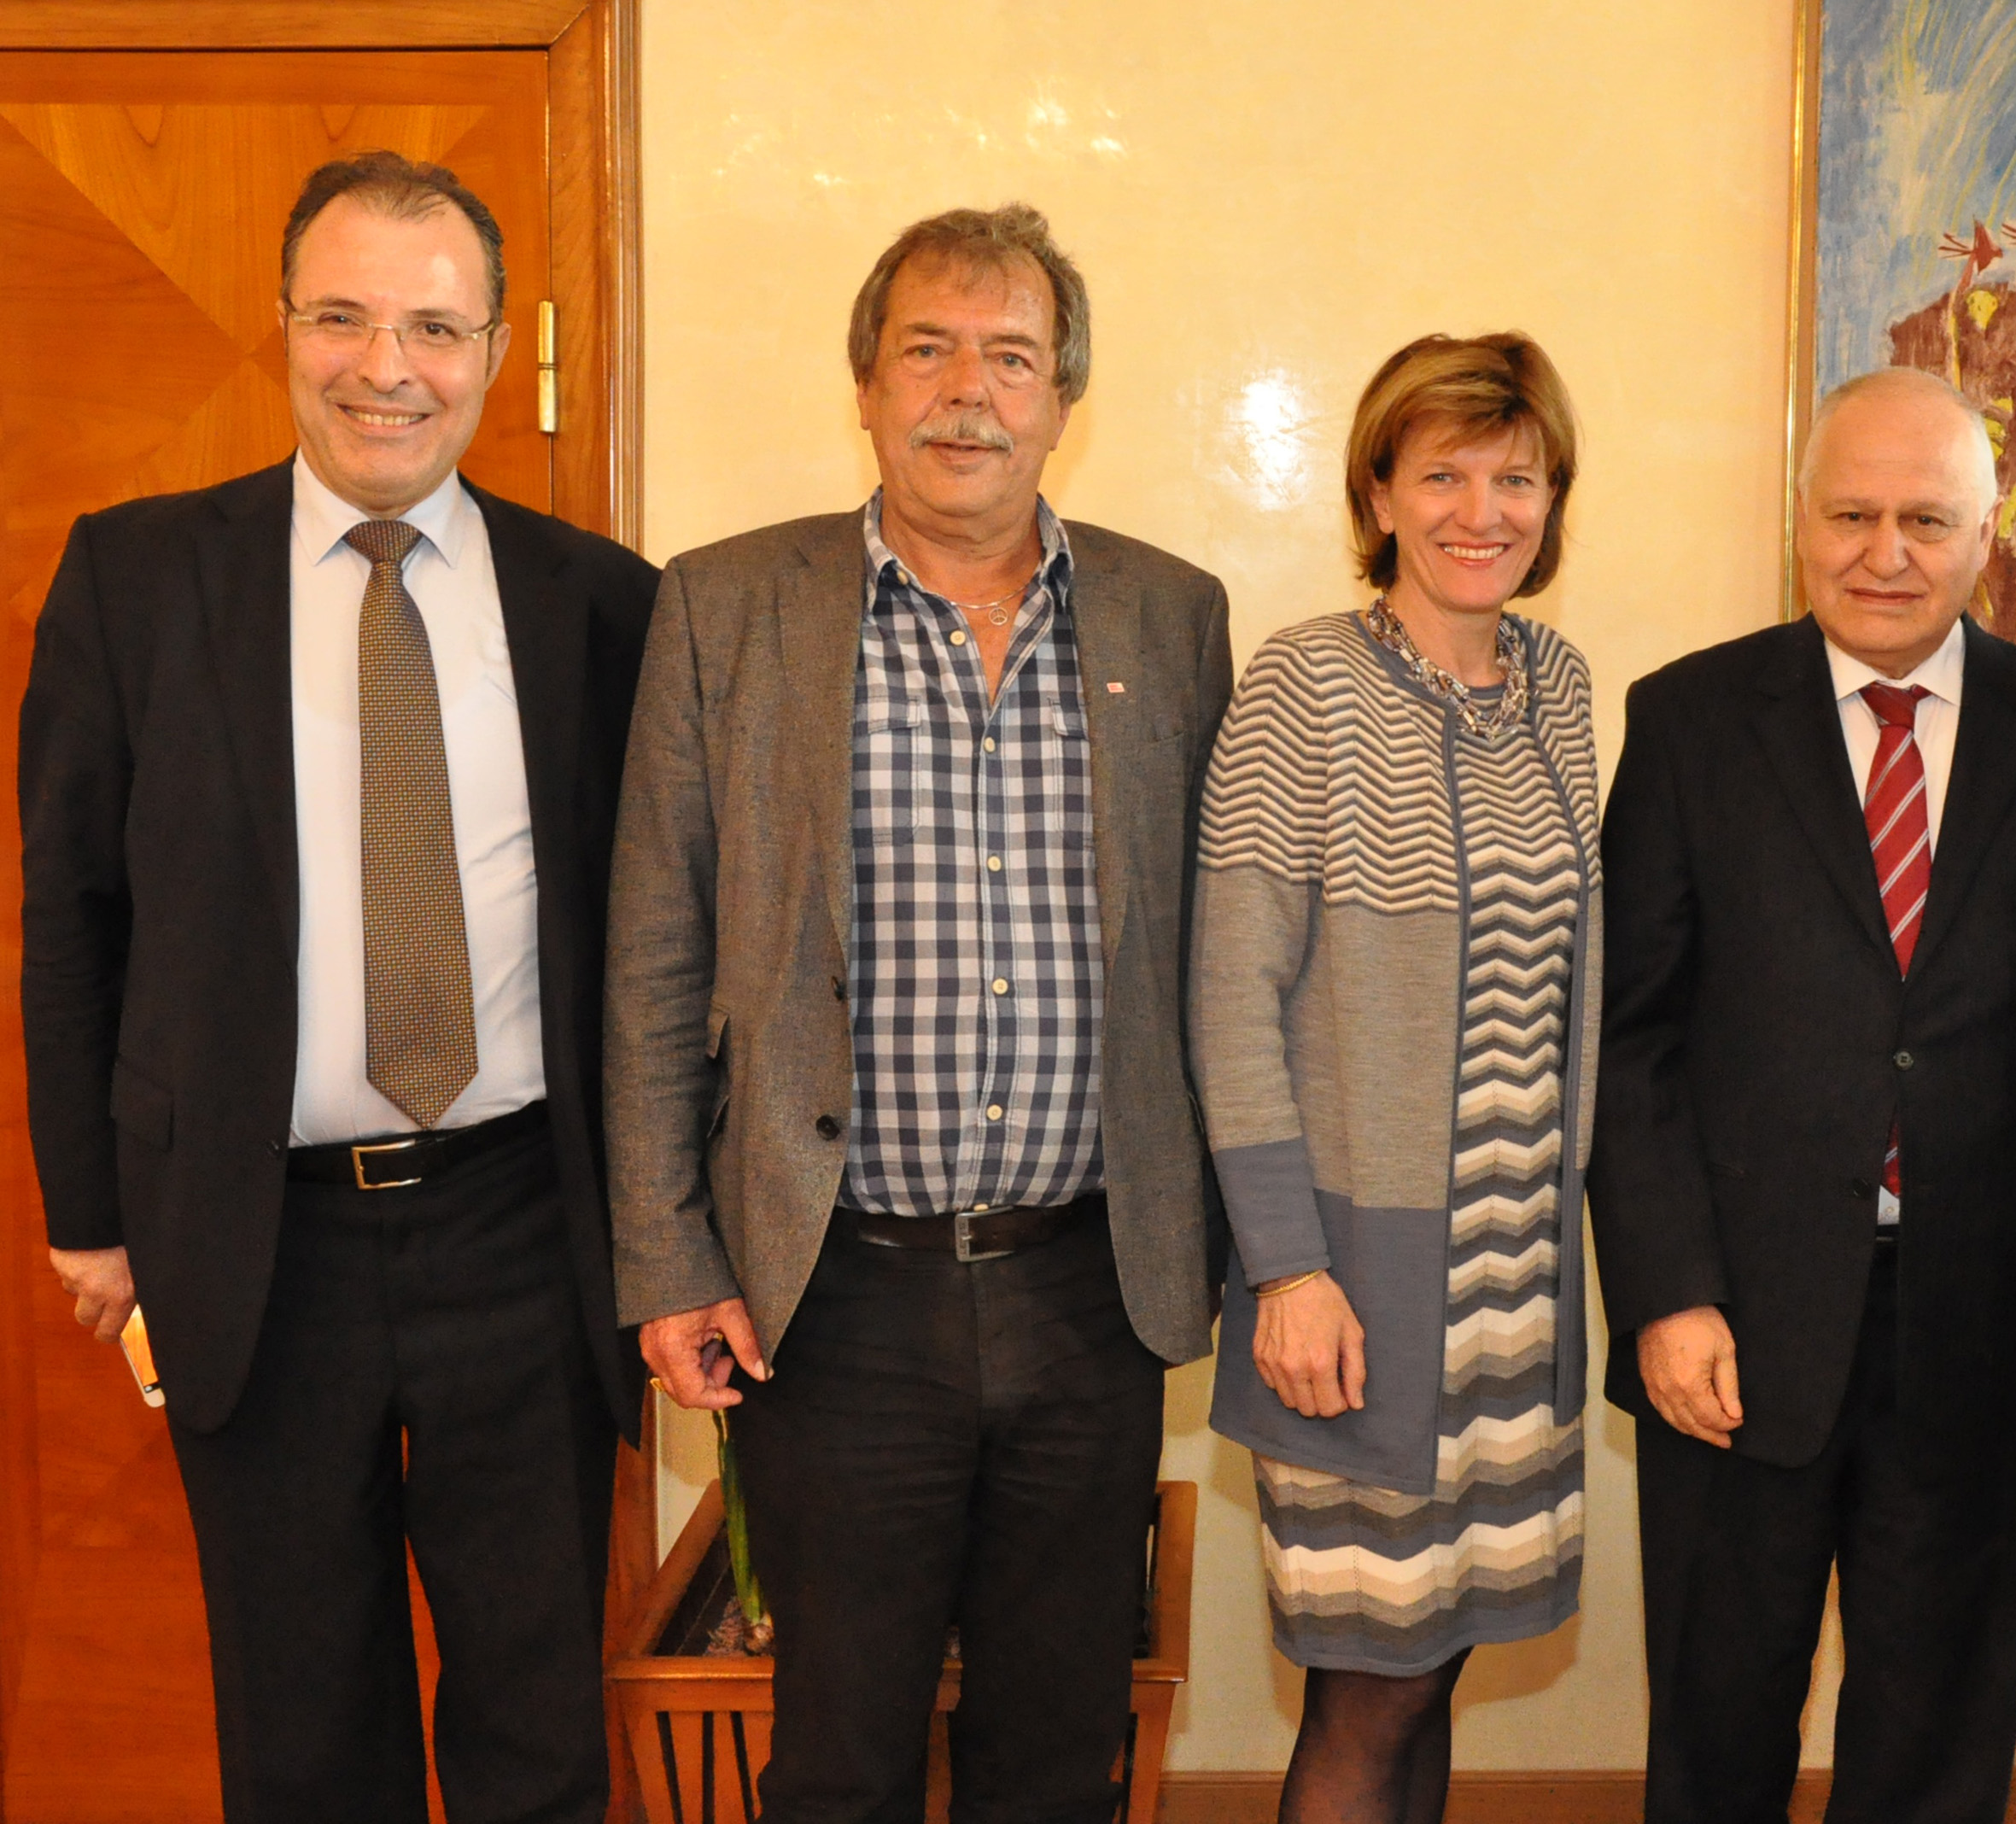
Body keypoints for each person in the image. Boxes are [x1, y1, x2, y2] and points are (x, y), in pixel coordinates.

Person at [20, 151, 657, 1824]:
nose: (389, 366)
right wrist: (89, 1213)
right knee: (306, 1738)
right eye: (346, 317)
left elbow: (660, 944)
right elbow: (73, 915)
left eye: (435, 326)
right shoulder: (138, 580)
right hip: (256, 1237)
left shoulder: (600, 604)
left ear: (498, 349)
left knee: (535, 1723)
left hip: (527, 1227)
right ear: (284, 326)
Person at [607, 202, 1230, 1823]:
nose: (970, 392)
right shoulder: (729, 608)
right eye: (929, 351)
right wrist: (670, 1254)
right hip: (834, 1293)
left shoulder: (1173, 620)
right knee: (839, 1752)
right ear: (867, 387)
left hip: (1094, 1281)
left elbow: (1224, 954)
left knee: (1054, 1740)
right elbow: (658, 947)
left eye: (1010, 358)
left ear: (1063, 398)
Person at [1591, 366, 2016, 1824]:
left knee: (1934, 1746)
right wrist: (1666, 1293)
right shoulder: (1693, 721)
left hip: (1982, 1335)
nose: (1883, 553)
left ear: (1988, 541)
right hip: (1735, 1332)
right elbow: (1630, 1041)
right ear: (1801, 520)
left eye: (1924, 520)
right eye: (1850, 514)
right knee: (1717, 1734)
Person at [1191, 332, 1600, 1824]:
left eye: (1516, 474)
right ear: (1376, 493)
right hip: (1359, 1285)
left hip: (1515, 1287)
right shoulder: (1305, 686)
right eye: (1441, 473)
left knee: (1436, 1667)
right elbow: (1230, 995)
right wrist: (1286, 1269)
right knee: (1369, 1691)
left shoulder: (1558, 683)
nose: (1481, 509)